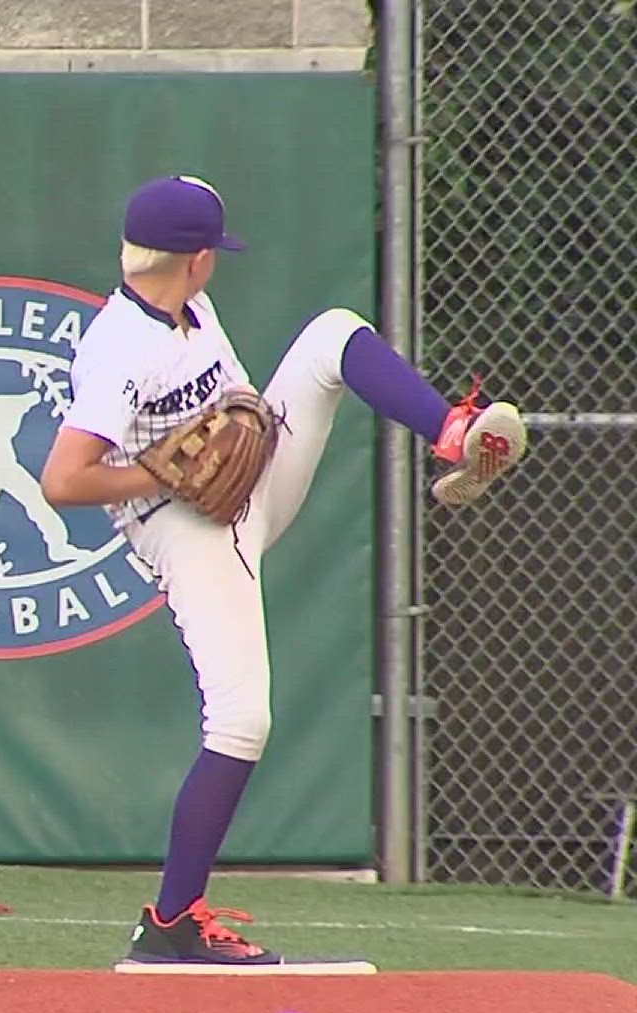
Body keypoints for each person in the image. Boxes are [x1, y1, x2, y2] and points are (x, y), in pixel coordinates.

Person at [40, 175, 527, 967]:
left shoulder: (182, 304)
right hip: (189, 528)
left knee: (335, 334)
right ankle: (171, 925)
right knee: (241, 722)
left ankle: (451, 433)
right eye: (213, 254)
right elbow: (62, 481)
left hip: (253, 476)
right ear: (197, 259)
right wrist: (162, 474)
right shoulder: (121, 348)